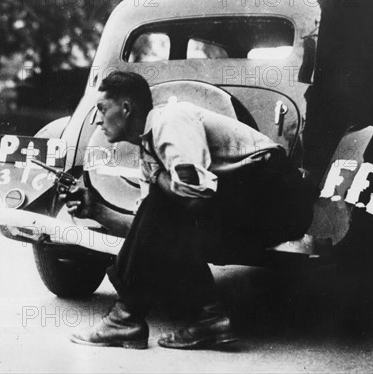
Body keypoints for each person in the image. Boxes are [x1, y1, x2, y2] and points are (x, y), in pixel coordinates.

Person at [62, 71, 313, 350]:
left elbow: (194, 198)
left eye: (101, 109)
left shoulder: (171, 120)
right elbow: (145, 231)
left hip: (280, 199)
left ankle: (126, 317)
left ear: (126, 108)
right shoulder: (149, 153)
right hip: (246, 208)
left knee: (165, 200)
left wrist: (158, 178)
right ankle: (207, 321)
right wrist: (96, 210)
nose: (97, 120)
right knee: (163, 212)